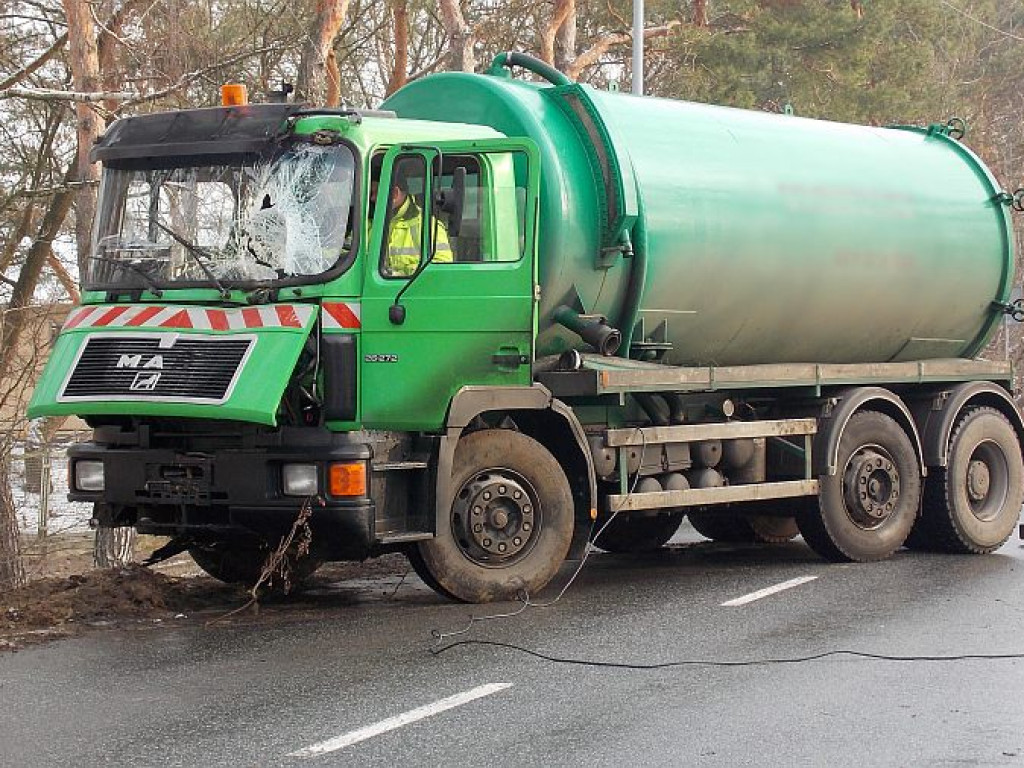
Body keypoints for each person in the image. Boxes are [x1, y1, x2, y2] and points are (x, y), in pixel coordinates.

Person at [369, 160, 453, 277]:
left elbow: (442, 266)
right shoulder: (367, 222)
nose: (372, 198)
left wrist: (399, 274)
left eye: (375, 192)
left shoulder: (427, 226)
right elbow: (346, 253)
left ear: (395, 193)